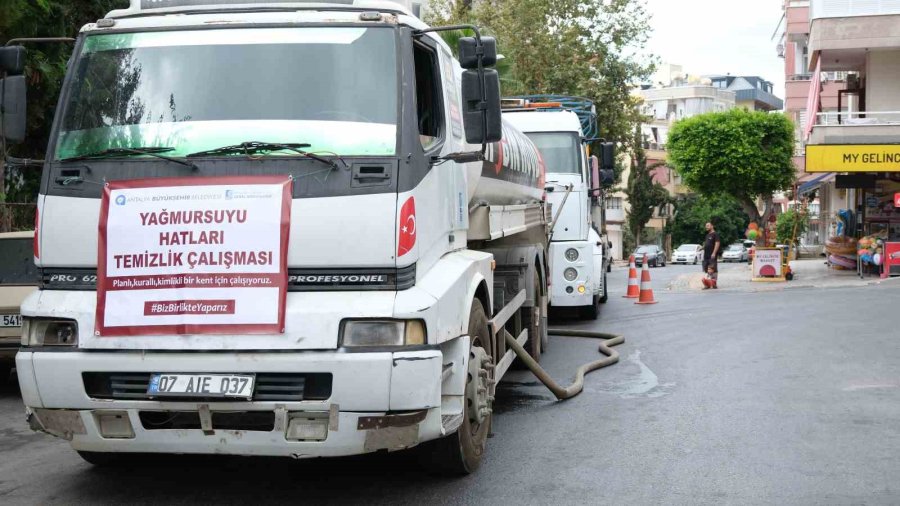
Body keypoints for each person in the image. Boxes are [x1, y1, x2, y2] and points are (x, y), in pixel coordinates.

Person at [702, 221, 720, 289]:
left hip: (712, 255)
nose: (706, 227)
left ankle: (714, 283)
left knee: (713, 268)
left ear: (712, 226)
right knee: (706, 269)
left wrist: (714, 253)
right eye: (706, 226)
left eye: (708, 225)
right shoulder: (707, 235)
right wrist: (702, 247)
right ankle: (707, 284)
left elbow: (717, 243)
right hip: (706, 255)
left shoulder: (715, 234)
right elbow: (706, 244)